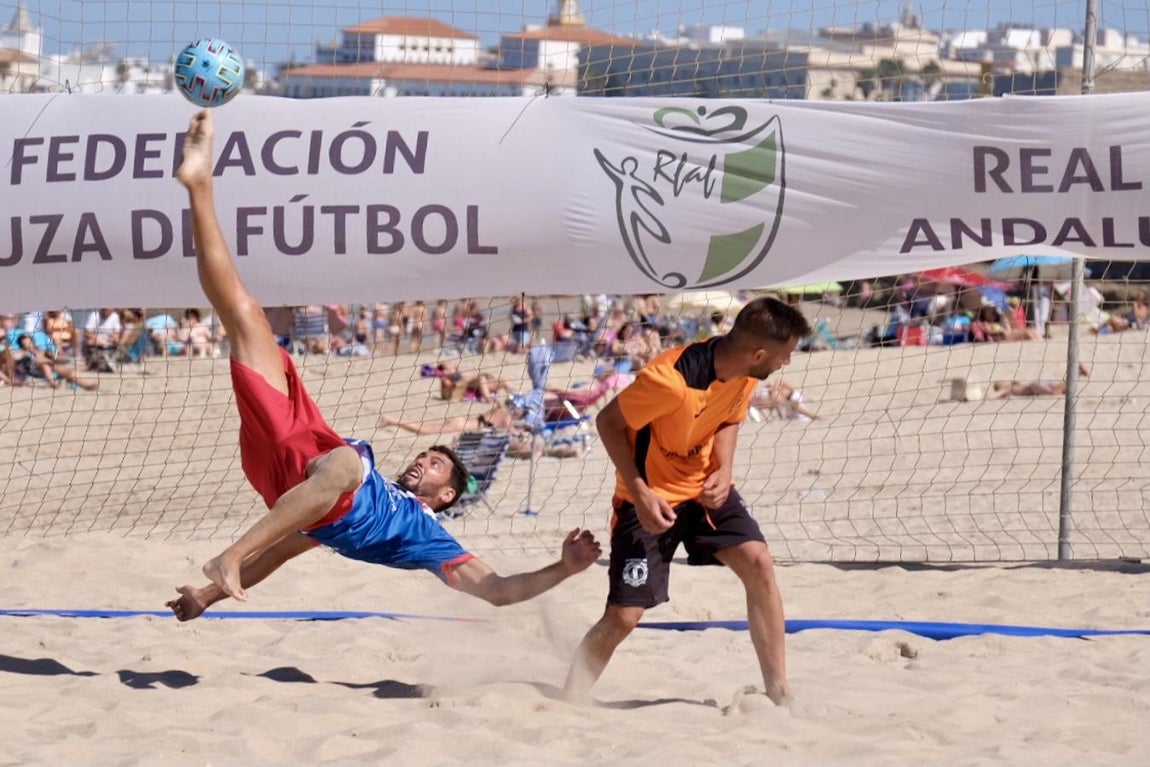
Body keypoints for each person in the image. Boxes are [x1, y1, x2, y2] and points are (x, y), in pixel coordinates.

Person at [165, 110, 600, 621]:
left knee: (348, 463)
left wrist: (563, 568)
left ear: (447, 495)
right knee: (244, 313)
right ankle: (199, 185)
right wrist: (205, 599)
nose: (423, 461)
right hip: (307, 454)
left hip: (325, 474)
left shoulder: (428, 538)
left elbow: (499, 591)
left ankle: (227, 557)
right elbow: (281, 550)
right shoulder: (373, 489)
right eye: (427, 456)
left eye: (436, 464)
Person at [563, 296, 811, 706]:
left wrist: (725, 469)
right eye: (785, 355)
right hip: (647, 499)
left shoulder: (746, 371)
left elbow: (729, 417)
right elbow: (607, 422)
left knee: (759, 563)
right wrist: (640, 492)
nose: (786, 363)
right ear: (760, 353)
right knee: (624, 617)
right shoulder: (670, 380)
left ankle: (779, 691)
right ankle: (569, 699)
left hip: (702, 490)